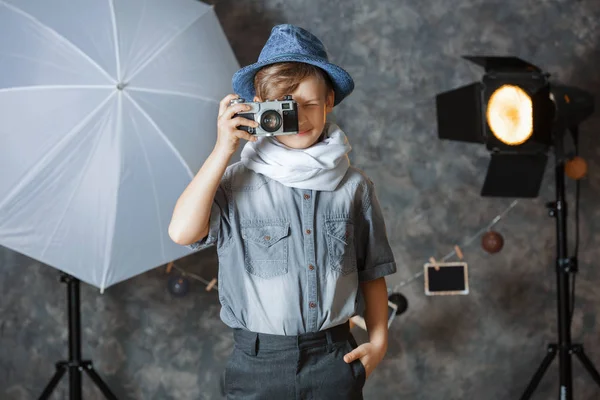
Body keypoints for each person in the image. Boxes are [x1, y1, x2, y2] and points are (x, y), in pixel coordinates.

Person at [168, 24, 397, 400]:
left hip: (333, 357)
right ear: (260, 106)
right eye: (286, 106)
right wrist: (222, 149)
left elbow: (372, 272)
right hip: (258, 362)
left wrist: (379, 343)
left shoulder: (354, 186)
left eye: (310, 103)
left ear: (329, 102)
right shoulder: (234, 183)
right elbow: (182, 232)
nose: (300, 117)